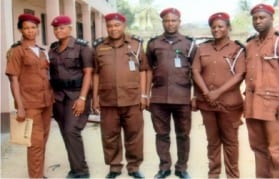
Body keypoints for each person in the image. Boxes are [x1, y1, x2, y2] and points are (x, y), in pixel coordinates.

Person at [244, 3, 279, 178]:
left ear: (271, 19)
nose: (258, 21)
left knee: (276, 150)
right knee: (258, 148)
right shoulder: (250, 44)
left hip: (273, 106)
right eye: (255, 18)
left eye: (262, 17)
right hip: (253, 106)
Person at [92, 12, 148, 179]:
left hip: (132, 98)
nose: (113, 29)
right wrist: (95, 97)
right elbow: (96, 73)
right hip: (108, 99)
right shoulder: (99, 47)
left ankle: (133, 167)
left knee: (134, 135)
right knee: (110, 135)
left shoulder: (136, 45)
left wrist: (144, 95)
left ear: (123, 26)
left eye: (116, 25)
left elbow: (143, 70)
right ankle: (114, 167)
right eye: (110, 26)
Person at [192, 12, 245, 178]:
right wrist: (206, 93)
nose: (216, 29)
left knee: (230, 142)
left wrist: (217, 93)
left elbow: (239, 74)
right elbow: (195, 71)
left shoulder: (238, 49)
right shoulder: (202, 48)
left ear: (228, 28)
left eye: (221, 26)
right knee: (212, 142)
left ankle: (232, 175)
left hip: (230, 104)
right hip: (207, 104)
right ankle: (213, 174)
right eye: (213, 27)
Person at [146, 8, 196, 179]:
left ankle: (181, 168)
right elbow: (149, 70)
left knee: (183, 134)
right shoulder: (153, 44)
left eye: (173, 20)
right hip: (159, 97)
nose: (170, 23)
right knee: (161, 134)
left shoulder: (189, 44)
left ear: (179, 21)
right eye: (167, 20)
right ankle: (164, 167)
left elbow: (196, 71)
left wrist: (195, 96)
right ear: (163, 22)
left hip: (182, 97)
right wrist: (146, 95)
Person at [5, 13, 54, 178]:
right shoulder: (17, 51)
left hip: (46, 102)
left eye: (33, 28)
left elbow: (47, 75)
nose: (30, 31)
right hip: (30, 104)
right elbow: (14, 80)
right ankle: (35, 176)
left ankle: (39, 173)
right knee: (35, 144)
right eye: (26, 28)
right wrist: (19, 107)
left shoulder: (42, 51)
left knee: (43, 141)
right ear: (21, 30)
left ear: (37, 30)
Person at [49, 15, 93, 178]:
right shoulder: (53, 49)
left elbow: (88, 73)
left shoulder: (82, 48)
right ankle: (76, 167)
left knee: (71, 130)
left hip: (76, 95)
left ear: (70, 28)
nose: (58, 31)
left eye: (61, 27)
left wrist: (82, 98)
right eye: (55, 28)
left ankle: (81, 171)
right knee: (64, 131)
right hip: (59, 97)